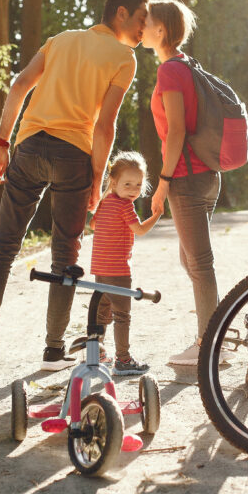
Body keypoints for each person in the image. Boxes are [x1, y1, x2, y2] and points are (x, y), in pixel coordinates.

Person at [0, 0, 151, 371]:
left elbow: (19, 85)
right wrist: (98, 180)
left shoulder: (60, 40)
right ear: (120, 14)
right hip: (73, 155)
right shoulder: (123, 58)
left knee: (4, 245)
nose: (143, 30)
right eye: (141, 20)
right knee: (65, 253)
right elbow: (106, 126)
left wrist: (1, 143)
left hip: (29, 148)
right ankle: (52, 350)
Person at [145, 0, 222, 366]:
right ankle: (214, 336)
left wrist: (162, 183)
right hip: (207, 176)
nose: (141, 27)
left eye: (146, 22)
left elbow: (175, 132)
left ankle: (209, 345)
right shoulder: (188, 65)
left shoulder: (170, 71)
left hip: (187, 179)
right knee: (190, 260)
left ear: (161, 30)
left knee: (199, 263)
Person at [90, 151, 163, 376]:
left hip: (100, 268)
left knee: (100, 312)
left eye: (138, 185)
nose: (133, 190)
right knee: (122, 315)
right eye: (128, 184)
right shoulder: (124, 206)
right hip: (118, 270)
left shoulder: (105, 202)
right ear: (113, 182)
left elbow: (93, 225)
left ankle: (97, 352)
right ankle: (123, 359)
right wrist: (157, 215)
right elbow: (139, 230)